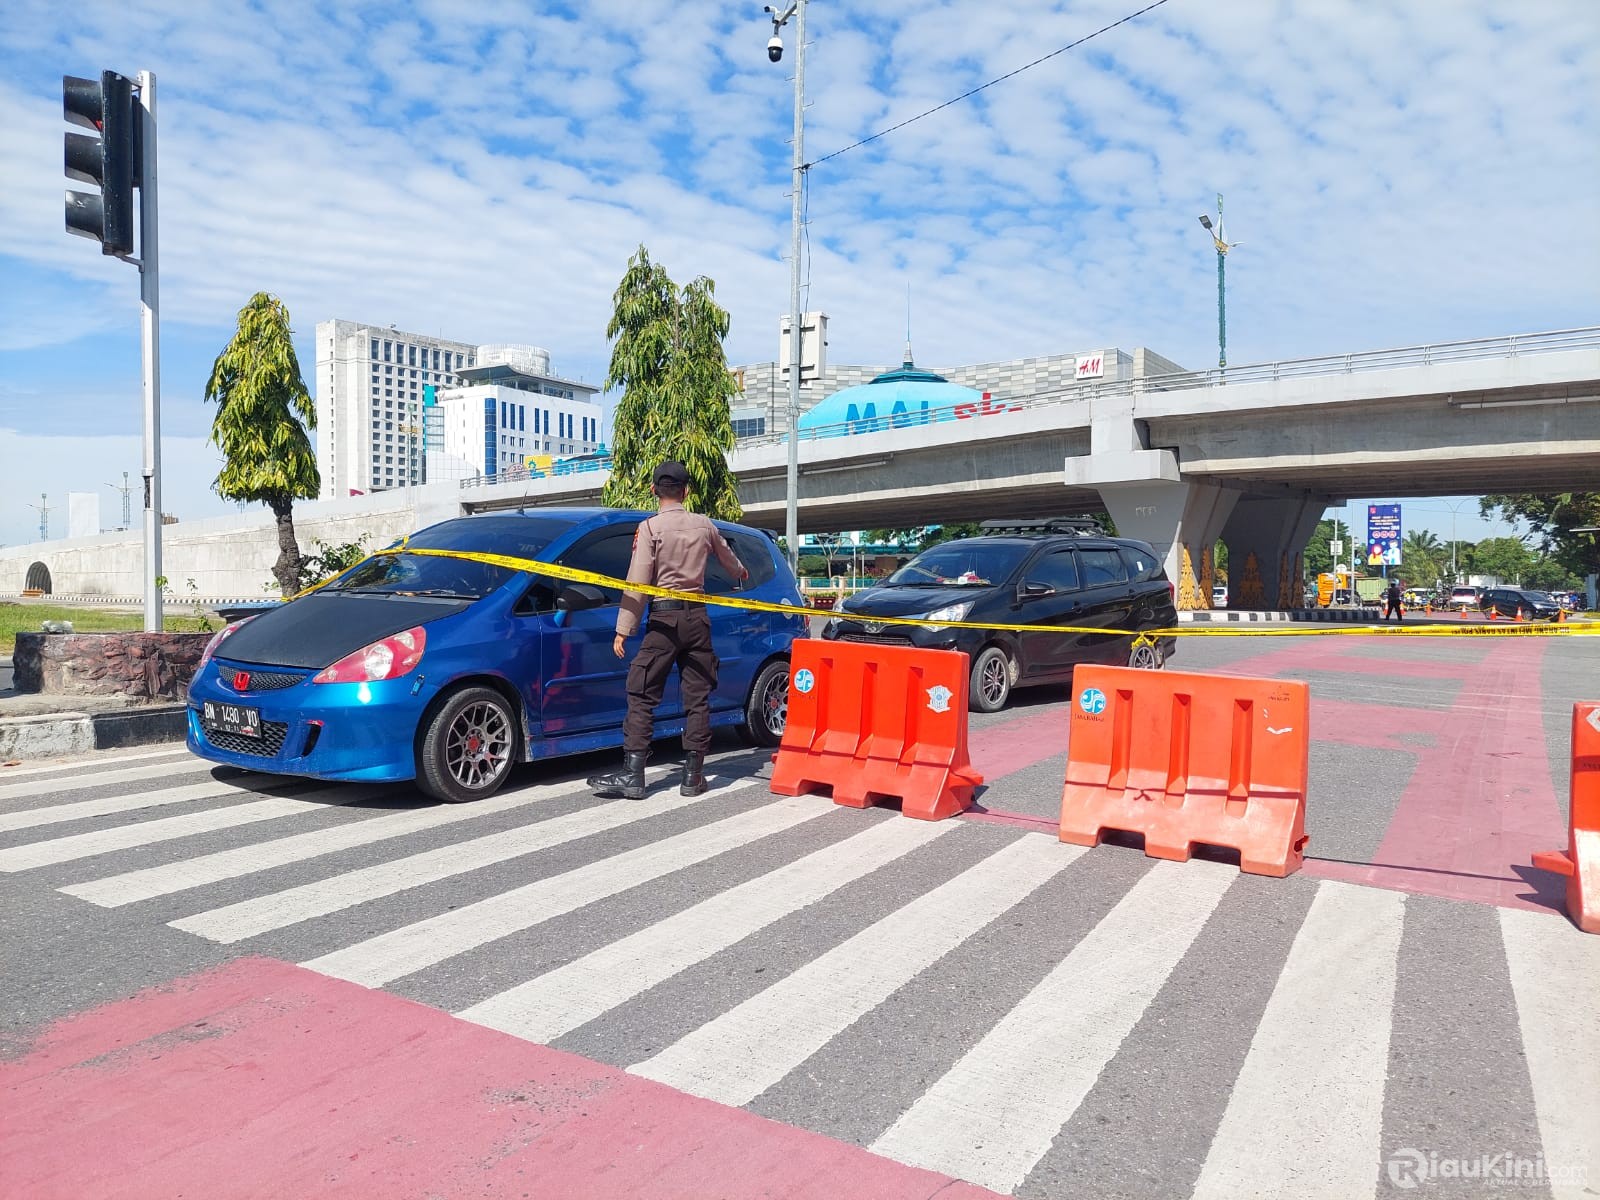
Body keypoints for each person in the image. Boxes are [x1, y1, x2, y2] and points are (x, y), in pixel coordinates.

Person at [587, 461, 748, 800]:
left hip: (663, 621)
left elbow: (638, 580)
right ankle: (693, 777)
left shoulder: (650, 528)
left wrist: (623, 629)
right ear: (687, 491)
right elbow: (731, 562)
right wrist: (741, 574)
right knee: (697, 696)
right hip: (698, 619)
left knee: (642, 692)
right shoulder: (704, 525)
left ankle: (634, 775)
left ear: (653, 490)